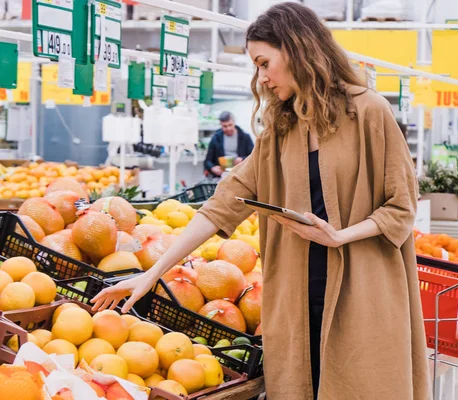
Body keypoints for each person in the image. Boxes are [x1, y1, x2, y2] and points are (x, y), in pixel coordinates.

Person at [91, 3, 430, 399]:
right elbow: (222, 205)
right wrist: (152, 274)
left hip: (362, 295)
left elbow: (401, 206)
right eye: (257, 66)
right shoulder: (280, 129)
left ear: (298, 49)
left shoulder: (368, 111)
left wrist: (339, 236)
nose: (262, 78)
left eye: (265, 63)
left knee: (360, 383)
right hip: (296, 299)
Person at [203, 111, 255, 177]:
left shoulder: (245, 137)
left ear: (234, 122)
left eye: (230, 125)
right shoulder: (216, 138)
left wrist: (242, 159)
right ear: (221, 125)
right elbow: (207, 161)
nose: (228, 128)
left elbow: (253, 156)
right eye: (225, 126)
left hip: (241, 175)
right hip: (222, 176)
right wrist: (212, 168)